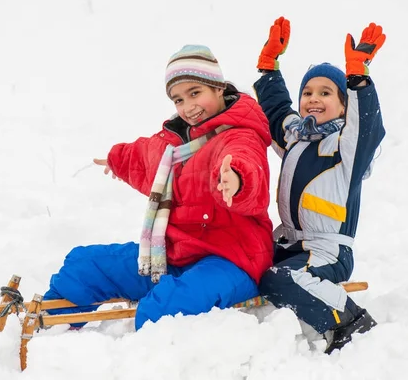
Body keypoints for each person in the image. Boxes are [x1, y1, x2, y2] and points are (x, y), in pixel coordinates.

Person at [42, 44, 274, 330]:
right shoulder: (175, 144)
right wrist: (118, 159)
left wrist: (236, 180)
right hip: (177, 253)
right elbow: (144, 156)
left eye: (195, 93)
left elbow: (246, 164)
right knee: (85, 265)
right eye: (178, 99)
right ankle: (49, 327)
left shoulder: (240, 136)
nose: (188, 107)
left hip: (232, 260)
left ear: (218, 88)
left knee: (165, 307)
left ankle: (147, 356)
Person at [253, 17, 386, 354]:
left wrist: (358, 78)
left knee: (278, 279)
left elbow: (366, 125)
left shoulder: (346, 147)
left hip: (329, 250)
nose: (313, 98)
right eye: (308, 92)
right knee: (245, 256)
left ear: (343, 105)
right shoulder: (297, 137)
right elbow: (276, 109)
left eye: (325, 93)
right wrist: (269, 67)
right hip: (293, 243)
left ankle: (349, 319)